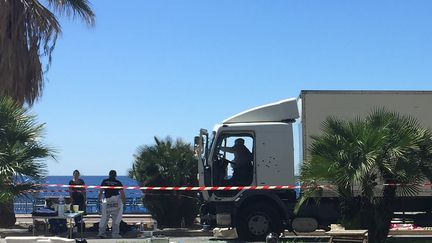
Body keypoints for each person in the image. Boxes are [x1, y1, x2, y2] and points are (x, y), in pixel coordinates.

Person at [97, 170, 126, 239]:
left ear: (109, 175)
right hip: (116, 201)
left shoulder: (105, 181)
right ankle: (115, 234)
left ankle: (101, 233)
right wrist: (124, 203)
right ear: (115, 175)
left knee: (104, 218)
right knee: (116, 219)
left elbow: (100, 192)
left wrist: (99, 201)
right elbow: (122, 194)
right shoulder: (118, 183)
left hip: (107, 201)